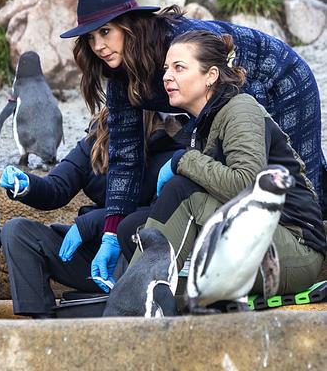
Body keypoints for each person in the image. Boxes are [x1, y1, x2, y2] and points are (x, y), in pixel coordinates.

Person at [58, 0, 325, 291]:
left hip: (277, 77)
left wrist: (186, 161)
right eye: (90, 38)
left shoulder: (183, 44)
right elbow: (125, 157)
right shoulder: (120, 77)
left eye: (105, 32)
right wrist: (111, 233)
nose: (98, 46)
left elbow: (234, 119)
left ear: (132, 25)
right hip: (226, 104)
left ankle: (310, 260)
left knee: (294, 172)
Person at [118, 30, 326, 295]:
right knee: (132, 229)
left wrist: (183, 160)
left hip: (293, 249)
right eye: (166, 69)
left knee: (182, 191)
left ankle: (135, 299)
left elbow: (246, 185)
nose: (167, 76)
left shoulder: (241, 109)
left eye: (179, 68)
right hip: (251, 243)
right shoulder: (203, 126)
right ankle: (146, 294)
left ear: (211, 76)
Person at [0, 113, 183, 318]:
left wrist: (91, 224)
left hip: (133, 259)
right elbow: (57, 187)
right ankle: (44, 325)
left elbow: (157, 214)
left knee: (133, 231)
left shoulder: (174, 147)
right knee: (17, 231)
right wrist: (26, 185)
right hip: (91, 255)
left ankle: (122, 311)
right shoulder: (100, 137)